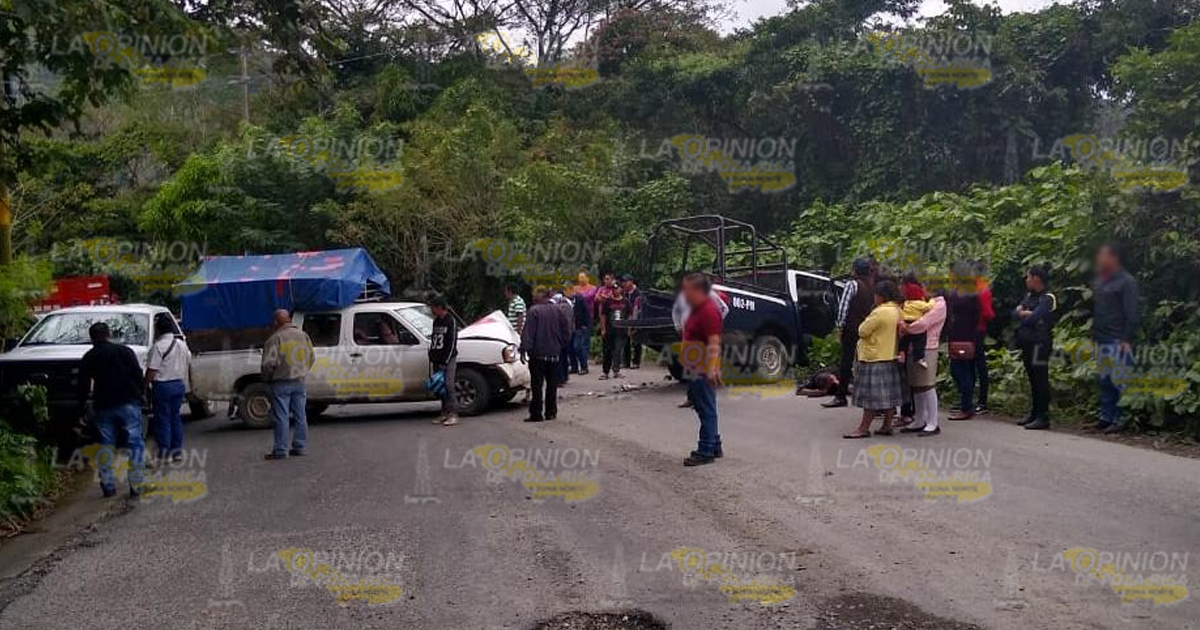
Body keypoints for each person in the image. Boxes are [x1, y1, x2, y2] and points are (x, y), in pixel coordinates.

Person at [78, 322, 146, 497]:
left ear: (91, 338)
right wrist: (141, 395)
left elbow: (83, 385)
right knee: (134, 444)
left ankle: (108, 486)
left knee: (105, 446)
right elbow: (138, 375)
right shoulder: (124, 351)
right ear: (108, 334)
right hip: (129, 402)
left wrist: (82, 407)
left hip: (103, 405)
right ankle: (136, 485)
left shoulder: (89, 356)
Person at [843, 280, 903, 439]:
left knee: (870, 397)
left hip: (873, 356)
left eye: (876, 295)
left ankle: (863, 428)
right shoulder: (897, 310)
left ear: (881, 296)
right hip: (890, 354)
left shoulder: (879, 312)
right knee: (888, 395)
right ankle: (887, 425)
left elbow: (862, 330)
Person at [1090, 243, 1139, 434]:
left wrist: (1126, 338)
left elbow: (1132, 313)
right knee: (1104, 380)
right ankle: (1106, 416)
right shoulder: (1101, 282)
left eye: (1102, 256)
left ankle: (1120, 418)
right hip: (1101, 338)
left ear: (1113, 258)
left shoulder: (1127, 282)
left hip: (1117, 340)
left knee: (1119, 380)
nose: (1099, 259)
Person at [680, 273, 724, 466]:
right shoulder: (695, 308)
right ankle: (714, 443)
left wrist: (713, 368)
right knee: (701, 404)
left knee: (706, 407)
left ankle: (705, 449)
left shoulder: (708, 310)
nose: (684, 293)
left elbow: (715, 341)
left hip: (702, 366)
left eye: (687, 290)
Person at [261, 309, 316, 460]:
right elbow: (311, 357)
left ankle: (280, 450)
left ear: (276, 322)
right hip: (299, 381)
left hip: (280, 382)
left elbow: (268, 364)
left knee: (281, 417)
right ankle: (300, 446)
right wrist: (303, 370)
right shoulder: (303, 336)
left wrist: (267, 378)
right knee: (300, 415)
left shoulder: (275, 339)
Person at [824, 258, 875, 408]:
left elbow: (843, 307)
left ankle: (841, 396)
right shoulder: (871, 287)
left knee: (846, 362)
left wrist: (840, 327)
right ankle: (869, 397)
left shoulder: (852, 284)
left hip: (852, 329)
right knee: (865, 363)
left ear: (854, 270)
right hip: (867, 330)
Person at [898, 286, 947, 437]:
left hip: (928, 347)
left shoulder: (939, 304)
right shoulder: (925, 303)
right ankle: (920, 419)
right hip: (915, 347)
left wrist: (907, 328)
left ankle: (933, 422)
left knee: (927, 384)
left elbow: (923, 324)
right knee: (917, 385)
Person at [145, 313, 191, 463]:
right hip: (179, 384)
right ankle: (177, 452)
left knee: (162, 419)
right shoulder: (182, 345)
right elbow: (188, 360)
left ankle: (165, 454)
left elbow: (152, 371)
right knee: (175, 418)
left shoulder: (158, 347)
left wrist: (144, 386)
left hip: (163, 386)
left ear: (158, 330)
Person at [1014, 265, 1056, 430]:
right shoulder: (1029, 296)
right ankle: (1034, 413)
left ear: (1036, 279)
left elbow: (1036, 317)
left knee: (1041, 380)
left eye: (1028, 277)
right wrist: (1024, 313)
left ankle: (1043, 416)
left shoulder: (1048, 298)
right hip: (1027, 343)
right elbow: (1015, 314)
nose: (1026, 280)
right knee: (1032, 379)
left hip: (1040, 343)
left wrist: (1025, 313)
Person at [520, 287, 571, 422]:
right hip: (554, 354)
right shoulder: (558, 310)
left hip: (538, 354)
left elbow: (528, 333)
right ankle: (551, 412)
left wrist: (524, 349)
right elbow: (566, 330)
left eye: (535, 292)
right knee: (552, 385)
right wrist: (560, 345)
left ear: (541, 295)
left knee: (537, 386)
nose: (532, 295)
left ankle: (536, 413)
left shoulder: (534, 311)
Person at [946, 263, 983, 421]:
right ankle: (966, 403)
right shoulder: (963, 292)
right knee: (961, 370)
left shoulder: (964, 293)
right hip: (961, 337)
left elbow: (967, 316)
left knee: (961, 370)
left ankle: (966, 406)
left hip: (964, 338)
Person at [429, 296, 459, 426]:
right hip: (437, 358)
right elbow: (434, 339)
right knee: (440, 387)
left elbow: (452, 342)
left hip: (448, 359)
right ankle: (444, 413)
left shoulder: (450, 321)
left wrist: (445, 361)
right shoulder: (436, 322)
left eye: (433, 307)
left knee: (449, 385)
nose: (432, 310)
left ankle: (453, 413)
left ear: (439, 307)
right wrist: (432, 355)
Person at [972, 262, 995, 414]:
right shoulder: (975, 288)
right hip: (973, 330)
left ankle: (982, 401)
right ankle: (973, 400)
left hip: (977, 330)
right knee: (972, 365)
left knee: (979, 365)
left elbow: (989, 314)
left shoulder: (982, 290)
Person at [898, 274, 932, 369]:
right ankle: (919, 357)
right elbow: (929, 307)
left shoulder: (906, 303)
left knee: (904, 341)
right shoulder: (920, 303)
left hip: (906, 323)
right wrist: (933, 300)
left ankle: (901, 354)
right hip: (915, 324)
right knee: (920, 340)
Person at [599, 283, 630, 380]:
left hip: (621, 331)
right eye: (613, 289)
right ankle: (605, 371)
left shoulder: (626, 302)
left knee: (618, 351)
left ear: (620, 289)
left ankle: (616, 370)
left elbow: (629, 316)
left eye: (617, 289)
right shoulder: (608, 302)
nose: (615, 291)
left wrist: (629, 328)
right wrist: (603, 328)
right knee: (607, 351)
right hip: (610, 330)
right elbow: (603, 315)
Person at [572, 271, 597, 372]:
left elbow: (589, 296)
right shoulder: (575, 288)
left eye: (583, 277)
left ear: (587, 278)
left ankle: (584, 363)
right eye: (579, 277)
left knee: (584, 342)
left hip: (588, 316)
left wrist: (578, 295)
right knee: (575, 344)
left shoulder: (592, 288)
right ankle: (579, 365)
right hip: (576, 317)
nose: (581, 279)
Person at [620, 274, 643, 369]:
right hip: (626, 318)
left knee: (636, 340)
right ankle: (626, 361)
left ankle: (636, 362)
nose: (624, 284)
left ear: (631, 282)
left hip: (636, 318)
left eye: (626, 282)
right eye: (623, 282)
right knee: (625, 340)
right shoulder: (624, 293)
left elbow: (638, 308)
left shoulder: (638, 294)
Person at [552, 290, 574, 386]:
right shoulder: (569, 306)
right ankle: (564, 377)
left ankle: (560, 379)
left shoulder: (560, 308)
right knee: (564, 356)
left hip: (560, 336)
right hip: (567, 335)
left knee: (560, 357)